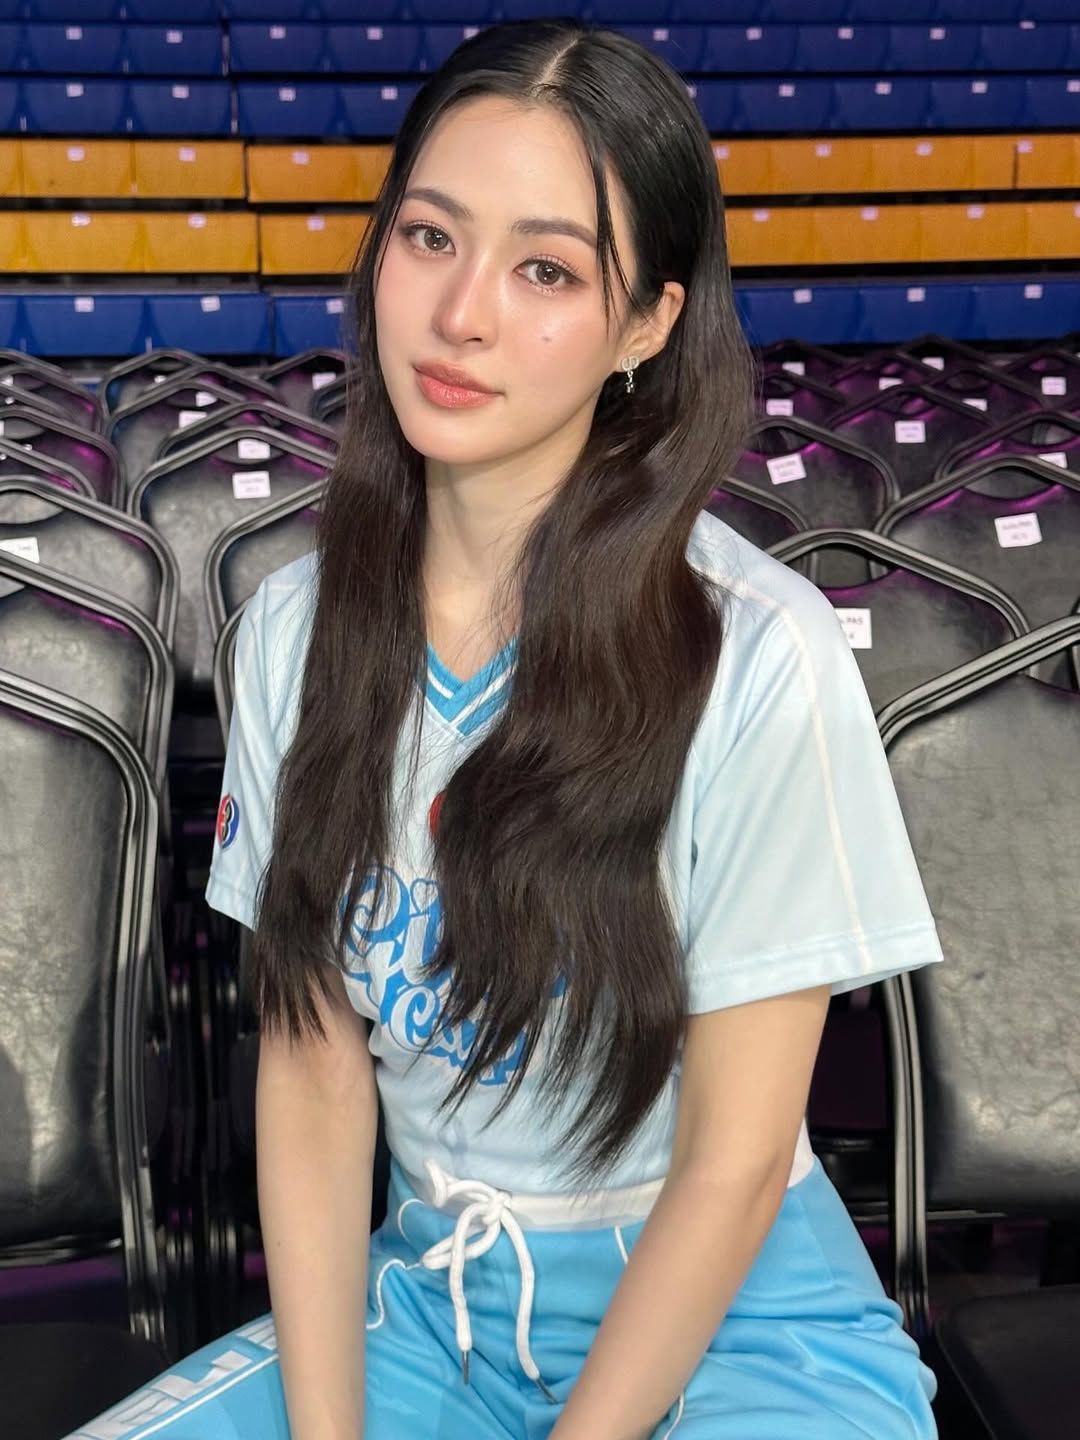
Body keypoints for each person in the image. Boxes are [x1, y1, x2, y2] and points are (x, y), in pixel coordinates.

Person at [68, 18, 945, 1440]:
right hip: (435, 1309)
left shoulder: (755, 653)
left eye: (548, 270)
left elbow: (730, 1167)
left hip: (741, 1332)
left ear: (646, 325)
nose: (462, 313)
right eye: (430, 238)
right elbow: (312, 1068)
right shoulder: (292, 633)